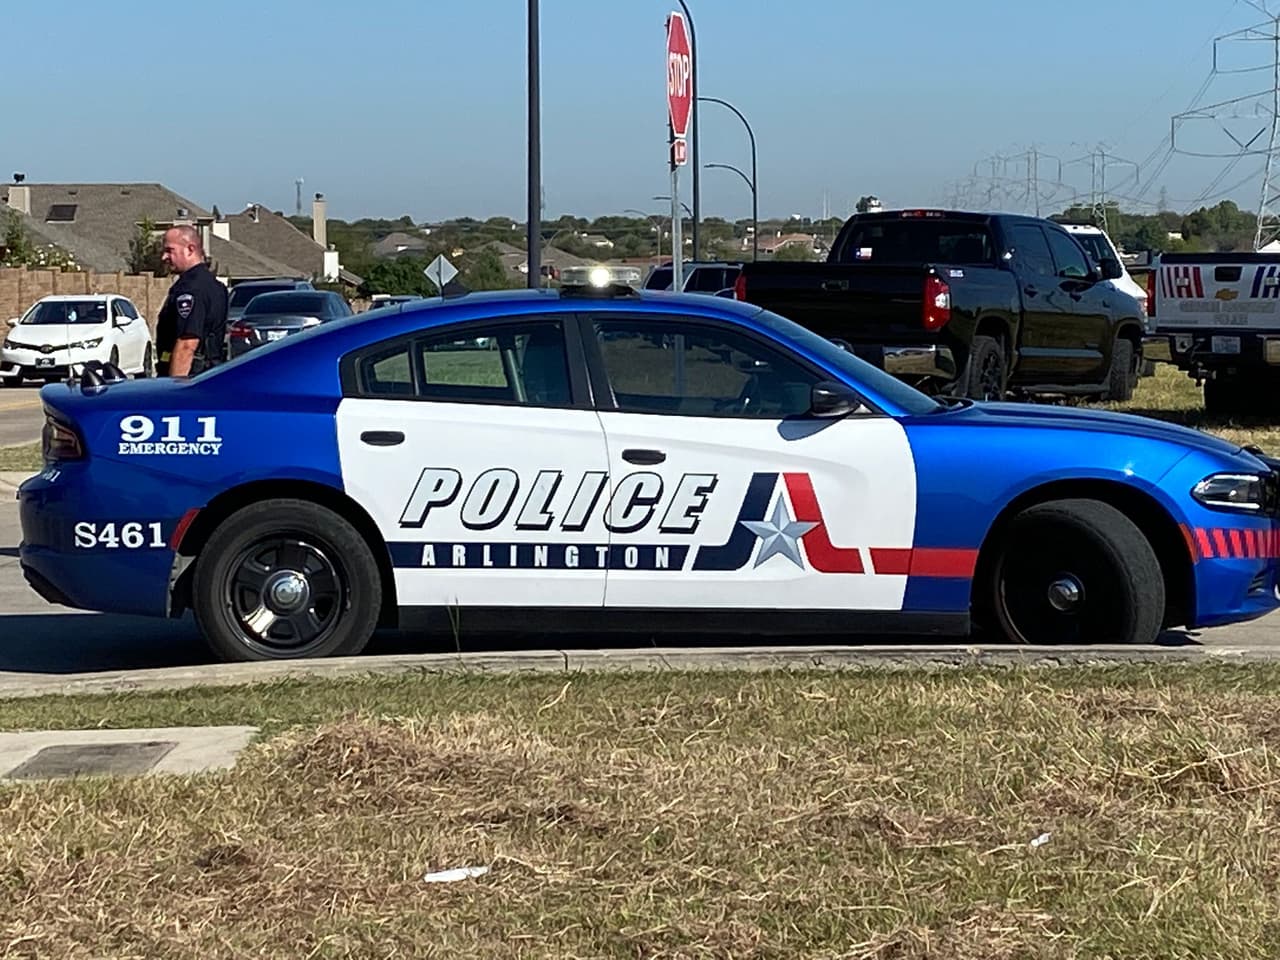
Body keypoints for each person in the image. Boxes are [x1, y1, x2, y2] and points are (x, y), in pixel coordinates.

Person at [154, 225, 229, 377]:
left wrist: (174, 391)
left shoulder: (191, 290)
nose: (164, 257)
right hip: (210, 376)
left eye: (170, 250)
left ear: (190, 249)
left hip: (191, 378)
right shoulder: (214, 285)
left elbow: (187, 345)